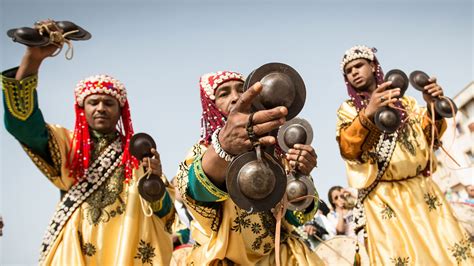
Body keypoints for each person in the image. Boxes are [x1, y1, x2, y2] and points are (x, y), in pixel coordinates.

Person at [2, 40, 175, 264]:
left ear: (120, 110)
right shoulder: (67, 145)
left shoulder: (136, 155)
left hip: (126, 250)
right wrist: (32, 60)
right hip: (77, 251)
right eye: (93, 102)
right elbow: (23, 126)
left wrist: (156, 185)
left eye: (108, 103)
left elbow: (167, 216)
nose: (101, 108)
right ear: (82, 109)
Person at [336, 45, 473, 265]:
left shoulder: (406, 102)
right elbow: (348, 149)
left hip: (423, 190)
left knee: (447, 251)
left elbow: (429, 139)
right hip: (384, 197)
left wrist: (432, 107)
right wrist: (369, 113)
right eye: (349, 70)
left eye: (359, 65)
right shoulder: (349, 109)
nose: (354, 72)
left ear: (372, 66)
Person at [175, 71, 323, 265]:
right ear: (210, 106)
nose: (235, 97)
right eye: (224, 94)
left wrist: (301, 175)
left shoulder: (277, 152)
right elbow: (195, 192)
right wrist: (223, 148)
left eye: (240, 90)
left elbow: (296, 218)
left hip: (282, 258)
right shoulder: (202, 152)